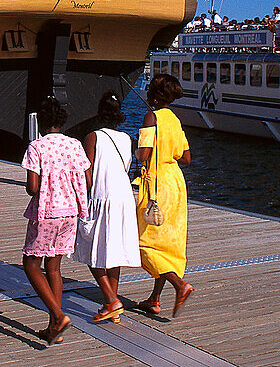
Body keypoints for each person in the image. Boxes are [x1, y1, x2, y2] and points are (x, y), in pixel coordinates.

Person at [21, 96, 91, 345]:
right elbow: (87, 179)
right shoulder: (74, 145)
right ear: (62, 121)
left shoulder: (36, 147)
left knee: (30, 264)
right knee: (54, 267)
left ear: (40, 122)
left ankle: (59, 316)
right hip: (71, 211)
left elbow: (32, 187)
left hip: (47, 212)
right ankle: (53, 326)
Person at [73, 91, 140, 321]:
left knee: (91, 248)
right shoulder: (127, 139)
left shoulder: (93, 137)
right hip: (124, 197)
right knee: (114, 251)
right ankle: (111, 302)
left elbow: (87, 174)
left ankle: (112, 300)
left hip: (104, 196)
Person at [135, 74, 194, 318]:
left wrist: (137, 146)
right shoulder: (175, 120)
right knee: (167, 242)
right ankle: (154, 299)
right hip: (176, 183)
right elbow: (187, 158)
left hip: (157, 185)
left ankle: (180, 286)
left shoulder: (152, 117)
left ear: (155, 95)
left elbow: (143, 154)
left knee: (143, 242)